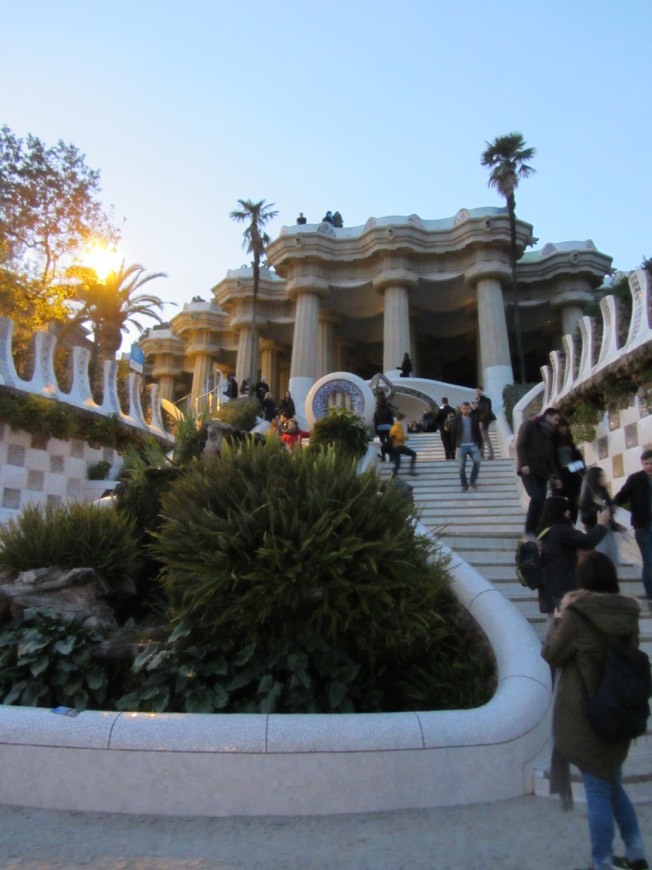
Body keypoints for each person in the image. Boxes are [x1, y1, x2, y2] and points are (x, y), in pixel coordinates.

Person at [541, 551, 648, 870]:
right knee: (612, 783)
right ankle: (636, 850)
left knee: (598, 787)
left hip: (588, 713)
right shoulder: (628, 613)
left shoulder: (578, 614)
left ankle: (602, 859)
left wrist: (558, 620)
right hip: (619, 708)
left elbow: (551, 654)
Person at [538, 496, 610, 618]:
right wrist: (602, 524)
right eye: (566, 509)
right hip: (561, 588)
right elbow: (588, 541)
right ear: (559, 511)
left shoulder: (547, 531)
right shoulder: (561, 531)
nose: (569, 512)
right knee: (561, 626)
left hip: (551, 587)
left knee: (555, 624)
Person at [614, 449, 652, 610]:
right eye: (646, 464)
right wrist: (611, 507)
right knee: (649, 562)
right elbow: (621, 496)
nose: (649, 466)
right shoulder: (636, 479)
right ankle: (651, 597)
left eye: (651, 463)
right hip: (643, 526)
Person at [516, 407, 562, 537]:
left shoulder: (549, 435)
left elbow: (551, 458)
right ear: (547, 417)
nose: (557, 423)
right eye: (555, 419)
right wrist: (524, 463)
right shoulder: (530, 425)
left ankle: (536, 528)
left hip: (542, 473)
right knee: (536, 496)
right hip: (528, 470)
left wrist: (556, 477)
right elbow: (521, 445)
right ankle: (529, 529)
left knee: (541, 500)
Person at [581, 466, 625, 569]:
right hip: (597, 534)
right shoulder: (589, 497)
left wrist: (616, 523)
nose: (603, 479)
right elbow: (585, 518)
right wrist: (596, 508)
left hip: (608, 532)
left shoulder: (604, 494)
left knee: (613, 562)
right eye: (601, 476)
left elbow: (609, 515)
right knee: (602, 562)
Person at [554, 417, 585, 524]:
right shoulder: (553, 443)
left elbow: (580, 462)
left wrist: (570, 467)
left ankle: (572, 525)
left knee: (574, 503)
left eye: (565, 426)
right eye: (561, 427)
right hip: (561, 477)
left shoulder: (570, 443)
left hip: (573, 476)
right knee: (562, 503)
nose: (564, 429)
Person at [453, 401, 482, 491]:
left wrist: (480, 443)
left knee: (477, 461)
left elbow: (477, 431)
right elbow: (453, 432)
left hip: (472, 445)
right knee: (461, 467)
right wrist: (453, 446)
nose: (466, 410)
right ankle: (464, 485)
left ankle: (472, 480)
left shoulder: (473, 418)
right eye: (464, 409)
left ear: (469, 409)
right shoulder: (457, 419)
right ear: (461, 409)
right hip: (461, 446)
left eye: (467, 409)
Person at [389, 412, 418, 477]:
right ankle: (411, 470)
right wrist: (406, 437)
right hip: (399, 446)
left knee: (397, 464)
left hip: (394, 447)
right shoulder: (399, 426)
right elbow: (399, 437)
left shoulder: (393, 426)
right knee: (413, 454)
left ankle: (392, 475)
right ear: (402, 419)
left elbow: (391, 436)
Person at [474, 386, 496, 459]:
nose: (477, 392)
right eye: (476, 391)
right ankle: (481, 454)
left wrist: (482, 420)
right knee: (481, 438)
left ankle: (491, 454)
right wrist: (475, 408)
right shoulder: (478, 401)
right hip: (479, 421)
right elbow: (476, 412)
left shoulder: (486, 400)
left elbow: (487, 410)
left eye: (479, 390)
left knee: (485, 437)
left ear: (482, 391)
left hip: (484, 421)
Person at [373, 393, 394, 462]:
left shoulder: (377, 409)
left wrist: (376, 430)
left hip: (380, 428)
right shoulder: (388, 408)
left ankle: (383, 457)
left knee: (382, 443)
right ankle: (391, 457)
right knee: (390, 442)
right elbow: (391, 419)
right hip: (388, 427)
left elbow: (375, 421)